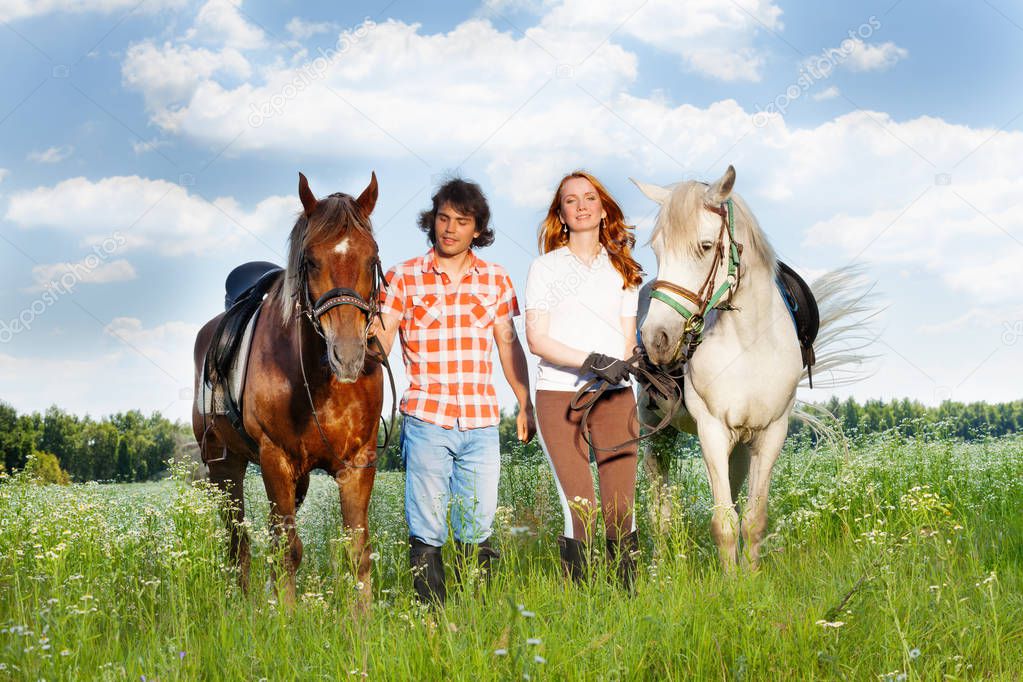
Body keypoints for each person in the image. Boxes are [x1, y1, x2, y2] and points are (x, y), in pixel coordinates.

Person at [374, 177, 535, 605]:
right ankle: (431, 617)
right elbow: (383, 342)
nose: (449, 228)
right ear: (433, 220)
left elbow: (508, 345)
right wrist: (364, 328)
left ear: (477, 229)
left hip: (481, 422)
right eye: (443, 218)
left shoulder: (497, 280)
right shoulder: (402, 277)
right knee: (426, 525)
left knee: (478, 524)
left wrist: (525, 403)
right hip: (427, 418)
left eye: (461, 221)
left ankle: (475, 613)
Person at [524, 171, 643, 590]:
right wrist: (593, 361)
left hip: (616, 397)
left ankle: (625, 601)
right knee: (582, 508)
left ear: (603, 207)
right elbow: (537, 338)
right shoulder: (545, 268)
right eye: (571, 200)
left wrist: (631, 362)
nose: (581, 205)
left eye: (589, 197)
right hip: (560, 397)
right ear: (561, 212)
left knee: (620, 509)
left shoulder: (624, 269)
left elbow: (628, 341)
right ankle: (581, 604)